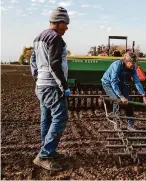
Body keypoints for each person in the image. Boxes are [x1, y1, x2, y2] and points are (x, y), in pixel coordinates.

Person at [30, 6, 71, 171]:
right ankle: (45, 154)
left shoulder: (39, 37)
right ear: (59, 22)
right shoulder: (55, 39)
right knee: (60, 118)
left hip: (41, 85)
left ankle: (47, 149)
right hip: (52, 86)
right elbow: (55, 65)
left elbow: (32, 61)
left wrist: (38, 78)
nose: (67, 27)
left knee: (46, 118)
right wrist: (64, 86)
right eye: (66, 24)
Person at [101, 52, 146, 130]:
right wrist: (121, 96)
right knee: (117, 100)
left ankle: (130, 125)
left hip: (121, 83)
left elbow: (136, 81)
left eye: (134, 63)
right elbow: (113, 81)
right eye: (131, 63)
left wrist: (143, 96)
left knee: (128, 103)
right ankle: (116, 124)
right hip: (108, 83)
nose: (133, 66)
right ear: (126, 61)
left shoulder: (133, 68)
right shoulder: (117, 65)